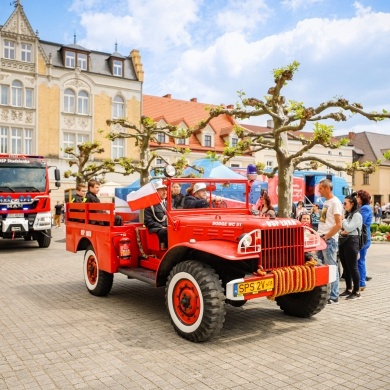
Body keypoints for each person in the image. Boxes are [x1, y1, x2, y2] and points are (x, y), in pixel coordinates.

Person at [317, 179, 343, 305]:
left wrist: (326, 236)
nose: (318, 190)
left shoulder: (335, 202)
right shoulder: (327, 202)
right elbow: (325, 221)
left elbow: (339, 224)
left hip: (328, 240)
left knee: (332, 267)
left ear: (327, 188)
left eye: (321, 188)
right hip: (322, 238)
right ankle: (325, 294)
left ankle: (334, 295)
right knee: (321, 267)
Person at [338, 195, 362, 300]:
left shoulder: (357, 215)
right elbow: (345, 230)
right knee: (345, 267)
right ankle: (348, 288)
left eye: (345, 203)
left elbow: (348, 227)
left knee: (353, 267)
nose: (344, 205)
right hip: (345, 241)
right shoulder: (349, 215)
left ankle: (356, 291)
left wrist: (343, 220)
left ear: (352, 203)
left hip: (352, 241)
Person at [356, 190, 373, 289]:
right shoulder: (363, 208)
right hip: (364, 237)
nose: (356, 198)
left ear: (362, 198)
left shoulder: (365, 208)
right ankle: (361, 282)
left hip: (363, 238)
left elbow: (361, 222)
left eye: (358, 197)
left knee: (360, 260)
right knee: (360, 260)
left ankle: (361, 283)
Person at [144, 180, 168, 247]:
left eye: (166, 190)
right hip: (157, 229)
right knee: (167, 232)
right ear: (156, 192)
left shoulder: (168, 204)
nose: (165, 192)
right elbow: (148, 222)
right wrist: (161, 227)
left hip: (168, 228)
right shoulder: (150, 205)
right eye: (162, 190)